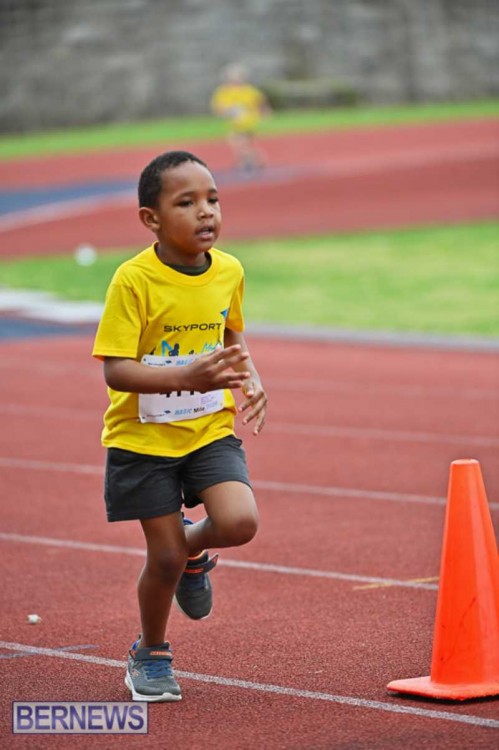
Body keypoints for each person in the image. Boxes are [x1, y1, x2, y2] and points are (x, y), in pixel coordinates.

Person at [92, 150, 267, 702]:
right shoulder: (133, 280)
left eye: (212, 199)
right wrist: (185, 376)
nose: (205, 212)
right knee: (162, 558)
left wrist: (250, 377)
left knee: (239, 521)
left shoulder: (229, 270)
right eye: (186, 203)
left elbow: (231, 333)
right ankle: (150, 652)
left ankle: (194, 548)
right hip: (144, 440)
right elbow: (116, 370)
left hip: (208, 428)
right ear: (152, 219)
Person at [210, 63, 270, 172]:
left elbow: (260, 103)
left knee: (238, 142)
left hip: (246, 121)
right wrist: (227, 112)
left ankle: (253, 160)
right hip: (235, 122)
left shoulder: (248, 90)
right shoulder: (224, 91)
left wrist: (263, 113)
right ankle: (250, 161)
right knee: (243, 144)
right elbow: (219, 107)